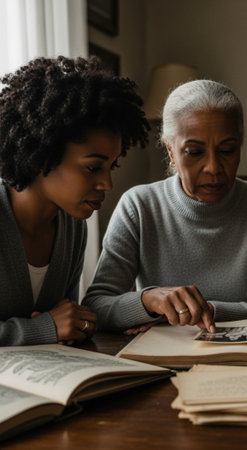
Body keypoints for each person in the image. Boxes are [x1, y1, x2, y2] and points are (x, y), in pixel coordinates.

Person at [83, 79, 247, 334]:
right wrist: (149, 300)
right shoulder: (139, 206)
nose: (213, 168)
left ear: (240, 145)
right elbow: (96, 307)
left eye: (227, 150)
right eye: (194, 152)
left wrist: (209, 310)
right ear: (170, 150)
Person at [0, 56, 150, 346]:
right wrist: (39, 329)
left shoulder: (72, 227)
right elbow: (49, 326)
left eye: (112, 166)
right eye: (93, 168)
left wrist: (79, 324)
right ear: (42, 156)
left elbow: (65, 320)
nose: (107, 184)